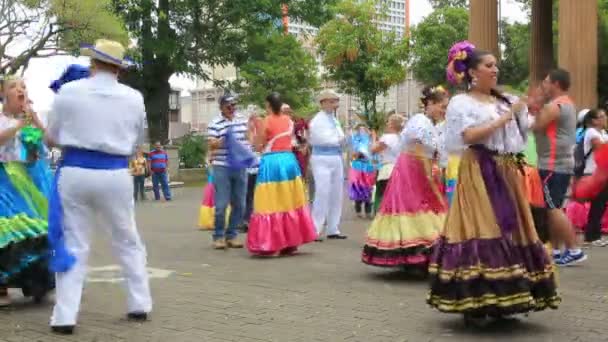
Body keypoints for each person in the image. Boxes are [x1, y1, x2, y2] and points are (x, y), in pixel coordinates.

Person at [427, 41, 559, 325]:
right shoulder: (463, 103)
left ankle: (509, 297)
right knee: (485, 227)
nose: (495, 69)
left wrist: (537, 110)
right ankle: (476, 301)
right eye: (489, 65)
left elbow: (523, 133)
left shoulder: (505, 100)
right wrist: (506, 118)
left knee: (513, 229)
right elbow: (468, 137)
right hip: (478, 170)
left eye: (495, 65)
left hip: (507, 169)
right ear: (473, 72)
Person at [47, 39, 152, 334]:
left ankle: (64, 316)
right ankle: (139, 303)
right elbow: (136, 141)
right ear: (118, 67)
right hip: (115, 172)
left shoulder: (68, 92)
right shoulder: (134, 97)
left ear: (93, 63)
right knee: (126, 238)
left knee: (74, 242)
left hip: (75, 171)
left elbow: (51, 137)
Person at [362, 86, 448, 268]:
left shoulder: (431, 125)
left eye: (445, 107)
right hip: (412, 169)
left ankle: (425, 253)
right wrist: (428, 170)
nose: (443, 110)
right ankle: (413, 255)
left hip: (421, 168)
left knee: (425, 207)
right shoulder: (420, 120)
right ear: (430, 103)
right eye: (441, 106)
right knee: (411, 206)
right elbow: (418, 145)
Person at [0, 76, 54, 307]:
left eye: (23, 86)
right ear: (3, 94)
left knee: (35, 231)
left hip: (28, 183)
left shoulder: (29, 120)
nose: (20, 90)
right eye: (13, 87)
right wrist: (20, 125)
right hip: (4, 181)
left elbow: (46, 145)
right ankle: (1, 286)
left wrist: (36, 122)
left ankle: (37, 284)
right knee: (6, 231)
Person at [246, 93, 317, 256]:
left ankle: (271, 242)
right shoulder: (289, 121)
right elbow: (291, 140)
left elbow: (258, 146)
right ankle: (290, 241)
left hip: (272, 162)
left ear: (269, 105)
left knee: (271, 201)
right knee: (289, 201)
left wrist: (252, 131)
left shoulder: (266, 121)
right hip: (289, 161)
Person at [532, 68, 586, 266]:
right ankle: (555, 250)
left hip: (552, 165)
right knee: (553, 208)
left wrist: (534, 107)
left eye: (546, 82)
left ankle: (574, 249)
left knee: (553, 208)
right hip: (560, 164)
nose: (544, 85)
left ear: (555, 84)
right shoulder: (567, 104)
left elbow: (535, 126)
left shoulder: (555, 105)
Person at [206, 95, 249, 249]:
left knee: (240, 204)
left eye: (234, 105)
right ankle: (218, 236)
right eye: (228, 106)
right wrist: (225, 139)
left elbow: (248, 139)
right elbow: (211, 145)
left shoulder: (242, 120)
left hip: (240, 166)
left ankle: (231, 235)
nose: (232, 108)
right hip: (221, 166)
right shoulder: (214, 123)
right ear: (221, 107)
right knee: (221, 204)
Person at [565, 108, 608, 246]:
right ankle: (591, 236)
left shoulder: (603, 133)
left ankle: (594, 234)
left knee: (600, 205)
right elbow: (601, 149)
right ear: (593, 120)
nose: (605, 118)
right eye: (602, 116)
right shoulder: (591, 132)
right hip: (593, 173)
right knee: (597, 204)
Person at [309, 89, 347, 241]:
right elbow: (321, 139)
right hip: (321, 157)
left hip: (336, 157)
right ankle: (315, 228)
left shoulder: (334, 119)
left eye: (336, 101)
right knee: (322, 192)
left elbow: (341, 137)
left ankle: (333, 228)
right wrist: (339, 140)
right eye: (331, 101)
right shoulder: (317, 120)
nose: (335, 104)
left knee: (336, 193)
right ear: (323, 102)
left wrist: (341, 140)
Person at [370, 114, 404, 214]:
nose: (387, 123)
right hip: (399, 170)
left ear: (391, 125)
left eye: (388, 121)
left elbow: (373, 150)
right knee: (395, 198)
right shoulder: (402, 138)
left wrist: (373, 138)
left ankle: (381, 219)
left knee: (382, 197)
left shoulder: (387, 138)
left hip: (387, 170)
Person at [348, 124, 376, 219]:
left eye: (364, 129)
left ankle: (368, 211)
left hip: (368, 167)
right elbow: (353, 153)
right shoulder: (355, 140)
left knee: (368, 189)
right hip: (358, 167)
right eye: (360, 129)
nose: (362, 130)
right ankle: (358, 209)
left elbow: (374, 153)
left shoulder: (369, 141)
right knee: (358, 188)